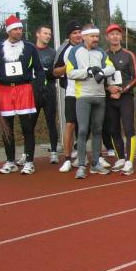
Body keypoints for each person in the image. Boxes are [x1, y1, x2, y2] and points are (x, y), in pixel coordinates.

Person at [0, 15, 45, 174]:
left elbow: (39, 70)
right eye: (15, 29)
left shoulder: (29, 48)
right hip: (5, 91)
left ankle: (29, 162)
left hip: (24, 90)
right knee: (7, 128)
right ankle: (10, 161)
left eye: (20, 29)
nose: (19, 31)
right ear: (8, 31)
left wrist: (38, 87)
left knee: (27, 127)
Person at [65, 23, 117, 179]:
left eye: (97, 36)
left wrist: (101, 71)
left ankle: (95, 163)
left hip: (100, 96)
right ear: (84, 37)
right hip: (83, 96)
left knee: (97, 130)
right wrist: (87, 72)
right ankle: (81, 165)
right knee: (82, 130)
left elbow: (111, 67)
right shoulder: (75, 51)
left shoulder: (101, 52)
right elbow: (70, 73)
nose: (96, 39)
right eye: (92, 36)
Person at [104, 23, 136, 175]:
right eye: (112, 34)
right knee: (113, 129)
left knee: (128, 127)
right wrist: (109, 89)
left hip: (125, 97)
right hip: (109, 97)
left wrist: (122, 90)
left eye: (117, 34)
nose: (115, 36)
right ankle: (120, 158)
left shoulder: (128, 55)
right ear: (107, 37)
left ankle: (129, 161)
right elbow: (99, 78)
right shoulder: (103, 55)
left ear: (121, 37)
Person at [53, 20, 83, 173]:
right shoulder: (64, 50)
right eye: (74, 33)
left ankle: (81, 154)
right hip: (71, 92)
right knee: (70, 124)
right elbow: (55, 72)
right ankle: (67, 159)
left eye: (79, 32)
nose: (78, 35)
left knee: (85, 126)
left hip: (87, 93)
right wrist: (67, 67)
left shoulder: (87, 47)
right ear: (69, 35)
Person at [31, 24, 59, 165]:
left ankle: (54, 152)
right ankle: (27, 154)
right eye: (45, 33)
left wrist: (48, 73)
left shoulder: (53, 53)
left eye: (49, 34)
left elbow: (56, 73)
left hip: (49, 92)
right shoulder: (29, 51)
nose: (48, 36)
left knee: (51, 122)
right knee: (30, 124)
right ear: (38, 34)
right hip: (33, 93)